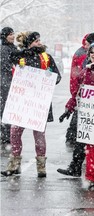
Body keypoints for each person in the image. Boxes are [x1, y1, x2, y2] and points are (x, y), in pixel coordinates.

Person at [1, 31, 62, 177]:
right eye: (35, 41)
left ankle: (41, 167)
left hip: (39, 103)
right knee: (15, 132)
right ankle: (14, 164)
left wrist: (49, 77)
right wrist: (26, 52)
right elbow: (10, 59)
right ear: (29, 43)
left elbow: (58, 77)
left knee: (39, 135)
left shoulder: (47, 57)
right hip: (22, 101)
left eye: (39, 40)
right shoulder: (21, 56)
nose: (39, 43)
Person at [57, 31, 94, 178]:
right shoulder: (85, 70)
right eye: (92, 52)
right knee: (84, 140)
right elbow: (78, 92)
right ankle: (81, 169)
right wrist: (69, 109)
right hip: (86, 111)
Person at [0, 27, 17, 149]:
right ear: (5, 36)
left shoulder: (13, 48)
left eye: (13, 34)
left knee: (10, 109)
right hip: (5, 83)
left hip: (11, 82)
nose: (13, 36)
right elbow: (6, 66)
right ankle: (6, 136)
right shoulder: (4, 49)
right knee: (6, 109)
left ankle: (8, 135)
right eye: (10, 34)